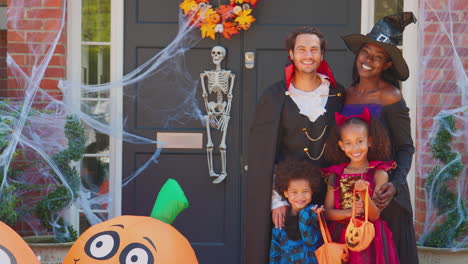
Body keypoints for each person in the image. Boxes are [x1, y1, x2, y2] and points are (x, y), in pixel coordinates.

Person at [244, 26, 345, 264]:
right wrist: (277, 200)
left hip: (328, 198)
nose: (308, 55)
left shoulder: (337, 94)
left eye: (314, 50)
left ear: (322, 55)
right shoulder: (275, 96)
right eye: (301, 49)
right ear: (291, 54)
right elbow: (263, 154)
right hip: (289, 198)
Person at [340, 12, 419, 263]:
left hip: (384, 196)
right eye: (366, 53)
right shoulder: (345, 94)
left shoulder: (391, 96)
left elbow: (406, 147)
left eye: (378, 57)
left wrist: (395, 185)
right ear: (358, 54)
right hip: (351, 194)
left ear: (387, 65)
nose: (368, 60)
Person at [322, 108, 399, 264]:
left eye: (359, 141)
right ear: (341, 145)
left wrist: (364, 196)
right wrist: (350, 213)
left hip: (370, 237)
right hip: (340, 237)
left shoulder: (378, 173)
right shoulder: (335, 175)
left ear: (369, 141)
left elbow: (375, 215)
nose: (355, 148)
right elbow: (327, 213)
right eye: (348, 143)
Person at [269, 160, 323, 264]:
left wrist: (306, 214)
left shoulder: (315, 215)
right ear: (285, 193)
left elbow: (310, 240)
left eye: (305, 191)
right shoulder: (281, 221)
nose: (300, 197)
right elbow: (275, 253)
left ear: (312, 191)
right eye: (294, 192)